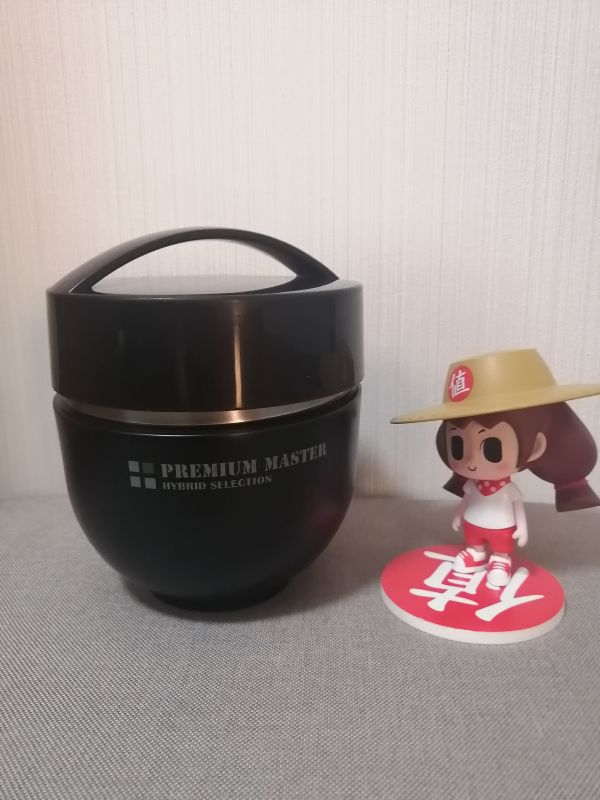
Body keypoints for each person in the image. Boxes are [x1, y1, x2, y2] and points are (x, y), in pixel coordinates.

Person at [392, 349, 600, 588]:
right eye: (457, 445)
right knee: (473, 539)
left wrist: (522, 529)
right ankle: (476, 553)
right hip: (473, 523)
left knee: (501, 546)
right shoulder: (472, 485)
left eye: (491, 448)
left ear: (535, 447)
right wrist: (459, 515)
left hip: (502, 527)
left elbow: (517, 508)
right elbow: (466, 499)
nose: (471, 460)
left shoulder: (507, 490)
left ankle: (500, 559)